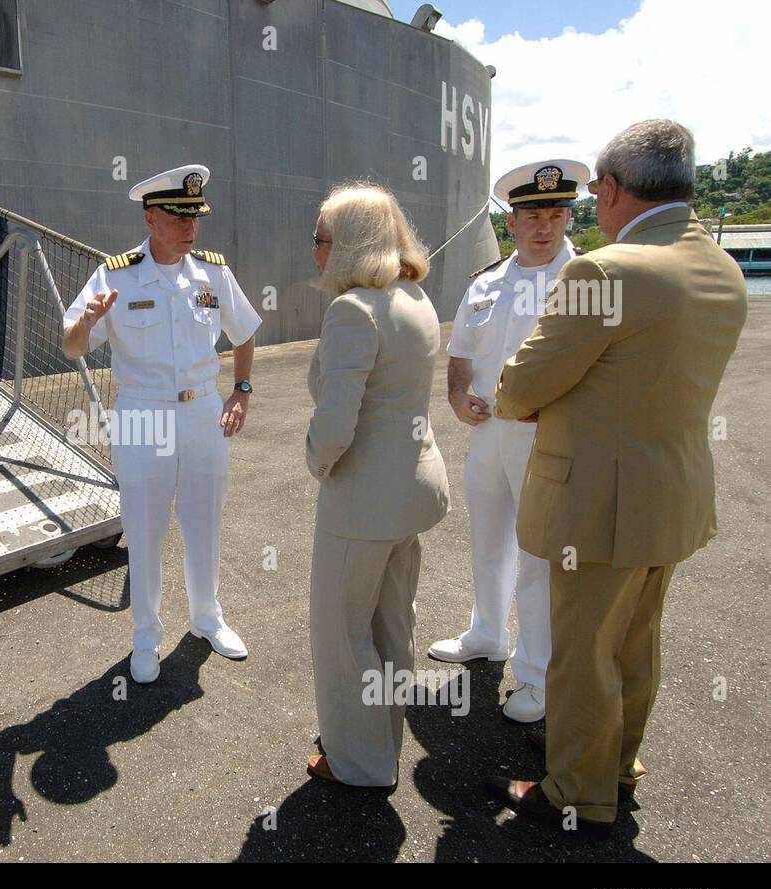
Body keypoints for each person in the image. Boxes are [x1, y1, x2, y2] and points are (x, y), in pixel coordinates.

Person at [485, 120, 747, 837]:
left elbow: (519, 385)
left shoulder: (606, 271)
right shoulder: (720, 266)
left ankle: (576, 791)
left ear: (610, 190)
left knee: (582, 654)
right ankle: (615, 765)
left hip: (600, 502)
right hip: (675, 495)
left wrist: (535, 396)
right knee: (635, 645)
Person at [62, 165, 261, 684]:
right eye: (178, 216)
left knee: (204, 519)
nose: (190, 227)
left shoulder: (213, 274)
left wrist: (241, 391)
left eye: (195, 216)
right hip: (142, 412)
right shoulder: (115, 275)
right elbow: (72, 346)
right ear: (151, 218)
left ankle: (207, 618)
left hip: (201, 411)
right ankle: (146, 637)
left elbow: (244, 334)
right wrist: (85, 323)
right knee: (145, 527)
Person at [430, 160, 590, 724]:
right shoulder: (487, 282)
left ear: (569, 217)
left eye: (555, 214)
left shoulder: (586, 281)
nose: (544, 226)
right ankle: (487, 633)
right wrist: (455, 396)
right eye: (532, 216)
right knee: (488, 539)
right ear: (513, 221)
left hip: (547, 439)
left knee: (539, 557)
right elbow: (461, 353)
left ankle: (536, 675)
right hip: (489, 433)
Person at [303, 183, 449, 788]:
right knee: (392, 624)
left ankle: (359, 762)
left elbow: (336, 422)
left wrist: (316, 463)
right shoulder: (415, 297)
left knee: (343, 635)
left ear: (347, 245)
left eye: (320, 238)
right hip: (413, 491)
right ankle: (381, 735)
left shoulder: (353, 310)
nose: (313, 250)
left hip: (361, 502)